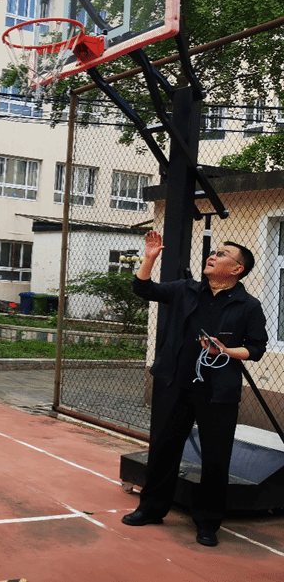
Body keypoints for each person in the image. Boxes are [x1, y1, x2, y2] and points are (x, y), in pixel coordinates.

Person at [122, 230, 268, 547]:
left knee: (216, 457)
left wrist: (226, 351)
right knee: (164, 448)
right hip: (175, 383)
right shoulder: (185, 289)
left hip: (218, 391)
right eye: (214, 251)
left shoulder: (248, 305)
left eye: (222, 254)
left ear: (237, 269)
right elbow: (143, 289)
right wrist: (149, 259)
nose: (213, 255)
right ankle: (151, 508)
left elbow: (256, 348)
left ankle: (207, 522)